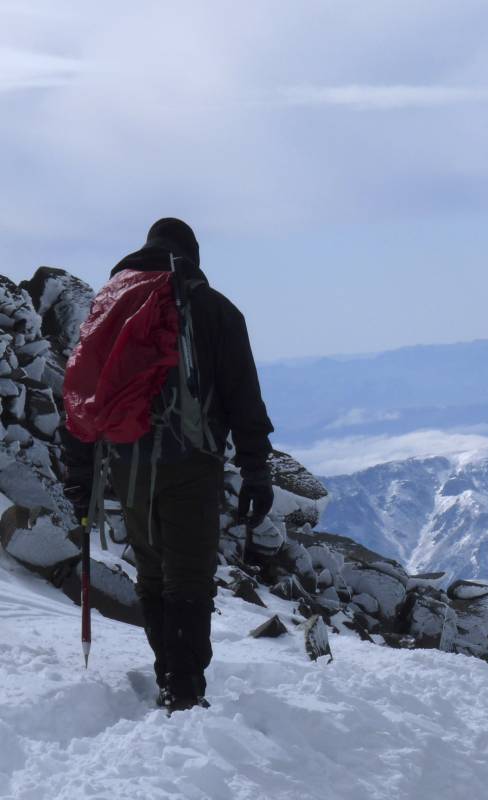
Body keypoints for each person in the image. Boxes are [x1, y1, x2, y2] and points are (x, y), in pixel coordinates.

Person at [61, 218, 275, 712]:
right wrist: (255, 469)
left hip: (127, 459)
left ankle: (169, 674)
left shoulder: (108, 308)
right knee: (190, 574)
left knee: (154, 571)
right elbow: (244, 398)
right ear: (192, 256)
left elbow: (81, 394)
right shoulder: (215, 310)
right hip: (191, 462)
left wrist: (80, 473)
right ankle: (183, 686)